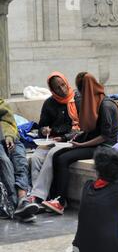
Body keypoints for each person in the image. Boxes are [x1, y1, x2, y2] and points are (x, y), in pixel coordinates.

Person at [42, 72, 118, 215]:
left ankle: (60, 201)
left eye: (82, 90)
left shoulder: (106, 105)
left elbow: (105, 136)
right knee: (57, 155)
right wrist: (77, 139)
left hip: (105, 146)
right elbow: (90, 129)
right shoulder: (93, 102)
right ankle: (53, 197)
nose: (80, 94)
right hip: (92, 143)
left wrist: (82, 145)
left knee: (64, 159)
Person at [28, 72, 81, 206]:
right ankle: (37, 199)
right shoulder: (49, 103)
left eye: (63, 85)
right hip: (52, 140)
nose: (62, 90)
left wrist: (63, 137)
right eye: (57, 88)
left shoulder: (77, 99)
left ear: (67, 82)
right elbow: (41, 128)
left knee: (52, 155)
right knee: (36, 158)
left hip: (72, 140)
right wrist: (44, 130)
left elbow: (83, 129)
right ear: (52, 90)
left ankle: (37, 196)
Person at [0, 98, 38, 222]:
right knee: (4, 161)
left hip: (7, 137)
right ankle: (15, 204)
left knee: (20, 159)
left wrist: (9, 136)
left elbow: (8, 121)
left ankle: (22, 198)